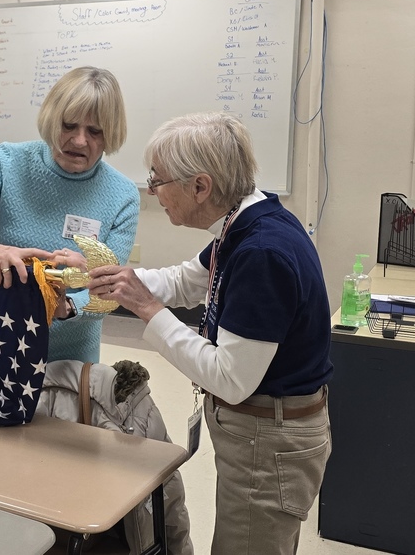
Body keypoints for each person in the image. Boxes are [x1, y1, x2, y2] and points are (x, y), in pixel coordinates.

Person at [82, 112, 332, 554]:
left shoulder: (262, 253)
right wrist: (111, 278)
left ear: (200, 186)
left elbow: (231, 379)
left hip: (268, 441)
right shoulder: (244, 220)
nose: (153, 192)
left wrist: (147, 309)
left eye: (157, 181)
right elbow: (186, 280)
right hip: (260, 431)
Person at [0, 65, 140, 364]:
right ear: (51, 119)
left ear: (110, 133)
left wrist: (68, 307)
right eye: (69, 125)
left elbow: (108, 287)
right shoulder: (8, 162)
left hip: (70, 357)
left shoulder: (122, 194)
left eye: (95, 131)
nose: (79, 141)